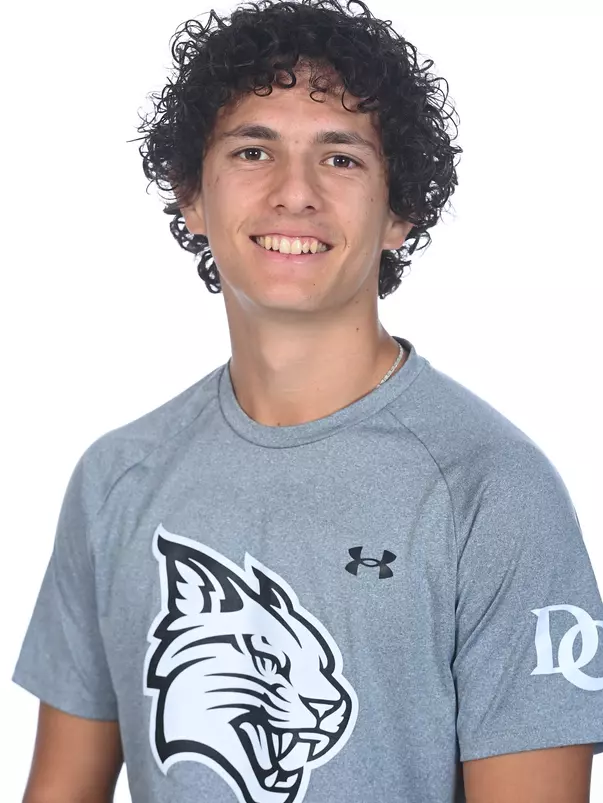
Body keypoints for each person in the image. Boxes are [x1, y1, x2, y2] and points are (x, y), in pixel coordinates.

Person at [12, 1, 603, 801]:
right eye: (254, 150)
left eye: (341, 158)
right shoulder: (115, 478)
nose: (295, 193)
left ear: (400, 212)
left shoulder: (493, 492)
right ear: (192, 197)